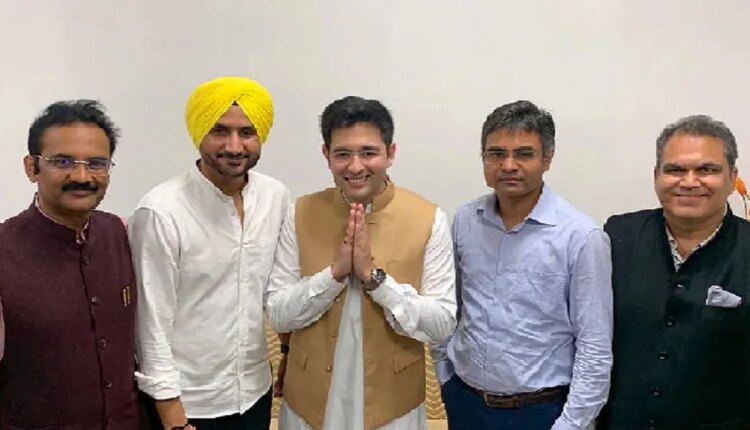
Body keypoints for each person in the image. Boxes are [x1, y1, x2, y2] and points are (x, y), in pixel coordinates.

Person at [266, 95, 457, 430]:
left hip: (394, 410)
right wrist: (334, 275)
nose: (355, 167)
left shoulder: (429, 218)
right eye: (342, 154)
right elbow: (278, 313)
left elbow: (441, 324)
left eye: (369, 153)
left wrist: (375, 280)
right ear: (326, 154)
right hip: (308, 406)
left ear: (390, 153)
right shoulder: (300, 212)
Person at [432, 100, 613, 430]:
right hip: (466, 403)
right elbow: (450, 307)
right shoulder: (466, 220)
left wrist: (571, 424)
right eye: (496, 153)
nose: (508, 165)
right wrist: (445, 374)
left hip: (541, 412)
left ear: (547, 159)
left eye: (524, 154)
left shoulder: (581, 237)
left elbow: (594, 346)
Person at [129, 77, 289, 430]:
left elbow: (277, 293)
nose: (234, 146)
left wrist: (289, 354)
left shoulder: (274, 197)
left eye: (246, 132)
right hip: (188, 404)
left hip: (255, 393)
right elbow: (151, 323)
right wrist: (173, 419)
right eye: (220, 131)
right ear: (199, 132)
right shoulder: (161, 211)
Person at [599, 115, 749, 430]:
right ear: (656, 176)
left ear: (732, 177)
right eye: (675, 170)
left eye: (706, 170)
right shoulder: (618, 235)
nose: (690, 182)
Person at [0, 100, 140, 428]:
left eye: (96, 163)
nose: (81, 176)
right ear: (32, 168)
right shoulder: (4, 251)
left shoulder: (122, 233)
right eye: (62, 161)